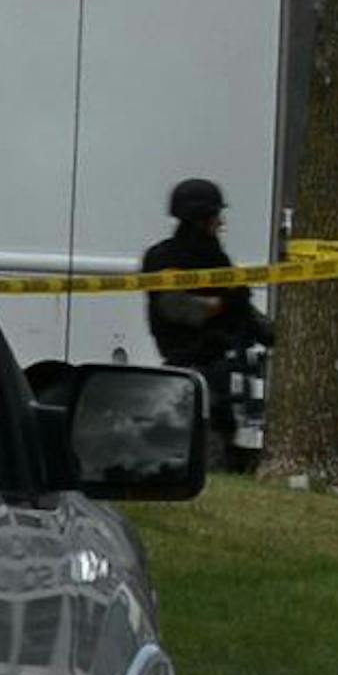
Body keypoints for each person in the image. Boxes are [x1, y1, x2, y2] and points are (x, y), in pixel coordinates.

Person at [141, 177, 272, 466]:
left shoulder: (215, 257)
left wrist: (273, 333)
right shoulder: (163, 258)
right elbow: (176, 307)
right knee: (201, 434)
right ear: (199, 219)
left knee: (224, 429)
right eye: (215, 216)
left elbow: (242, 310)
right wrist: (224, 303)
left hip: (221, 364)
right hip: (188, 362)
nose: (221, 222)